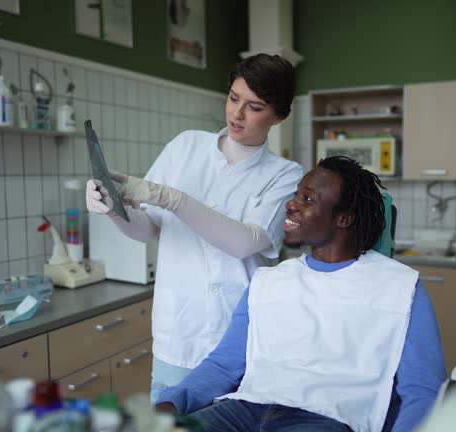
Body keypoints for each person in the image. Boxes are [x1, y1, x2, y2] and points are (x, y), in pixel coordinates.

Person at [154, 156, 447, 432]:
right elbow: (223, 365)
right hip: (245, 409)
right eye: (296, 195)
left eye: (307, 199)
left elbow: (422, 390)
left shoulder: (400, 289)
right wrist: (170, 402)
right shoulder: (267, 282)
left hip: (326, 417)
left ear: (343, 219)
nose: (291, 205)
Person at [86, 54, 303, 401]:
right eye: (233, 98)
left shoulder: (285, 174)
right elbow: (148, 229)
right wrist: (114, 209)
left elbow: (246, 242)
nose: (237, 114)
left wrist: (170, 197)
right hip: (178, 334)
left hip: (239, 342)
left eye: (255, 106)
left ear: (278, 115)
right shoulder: (186, 146)